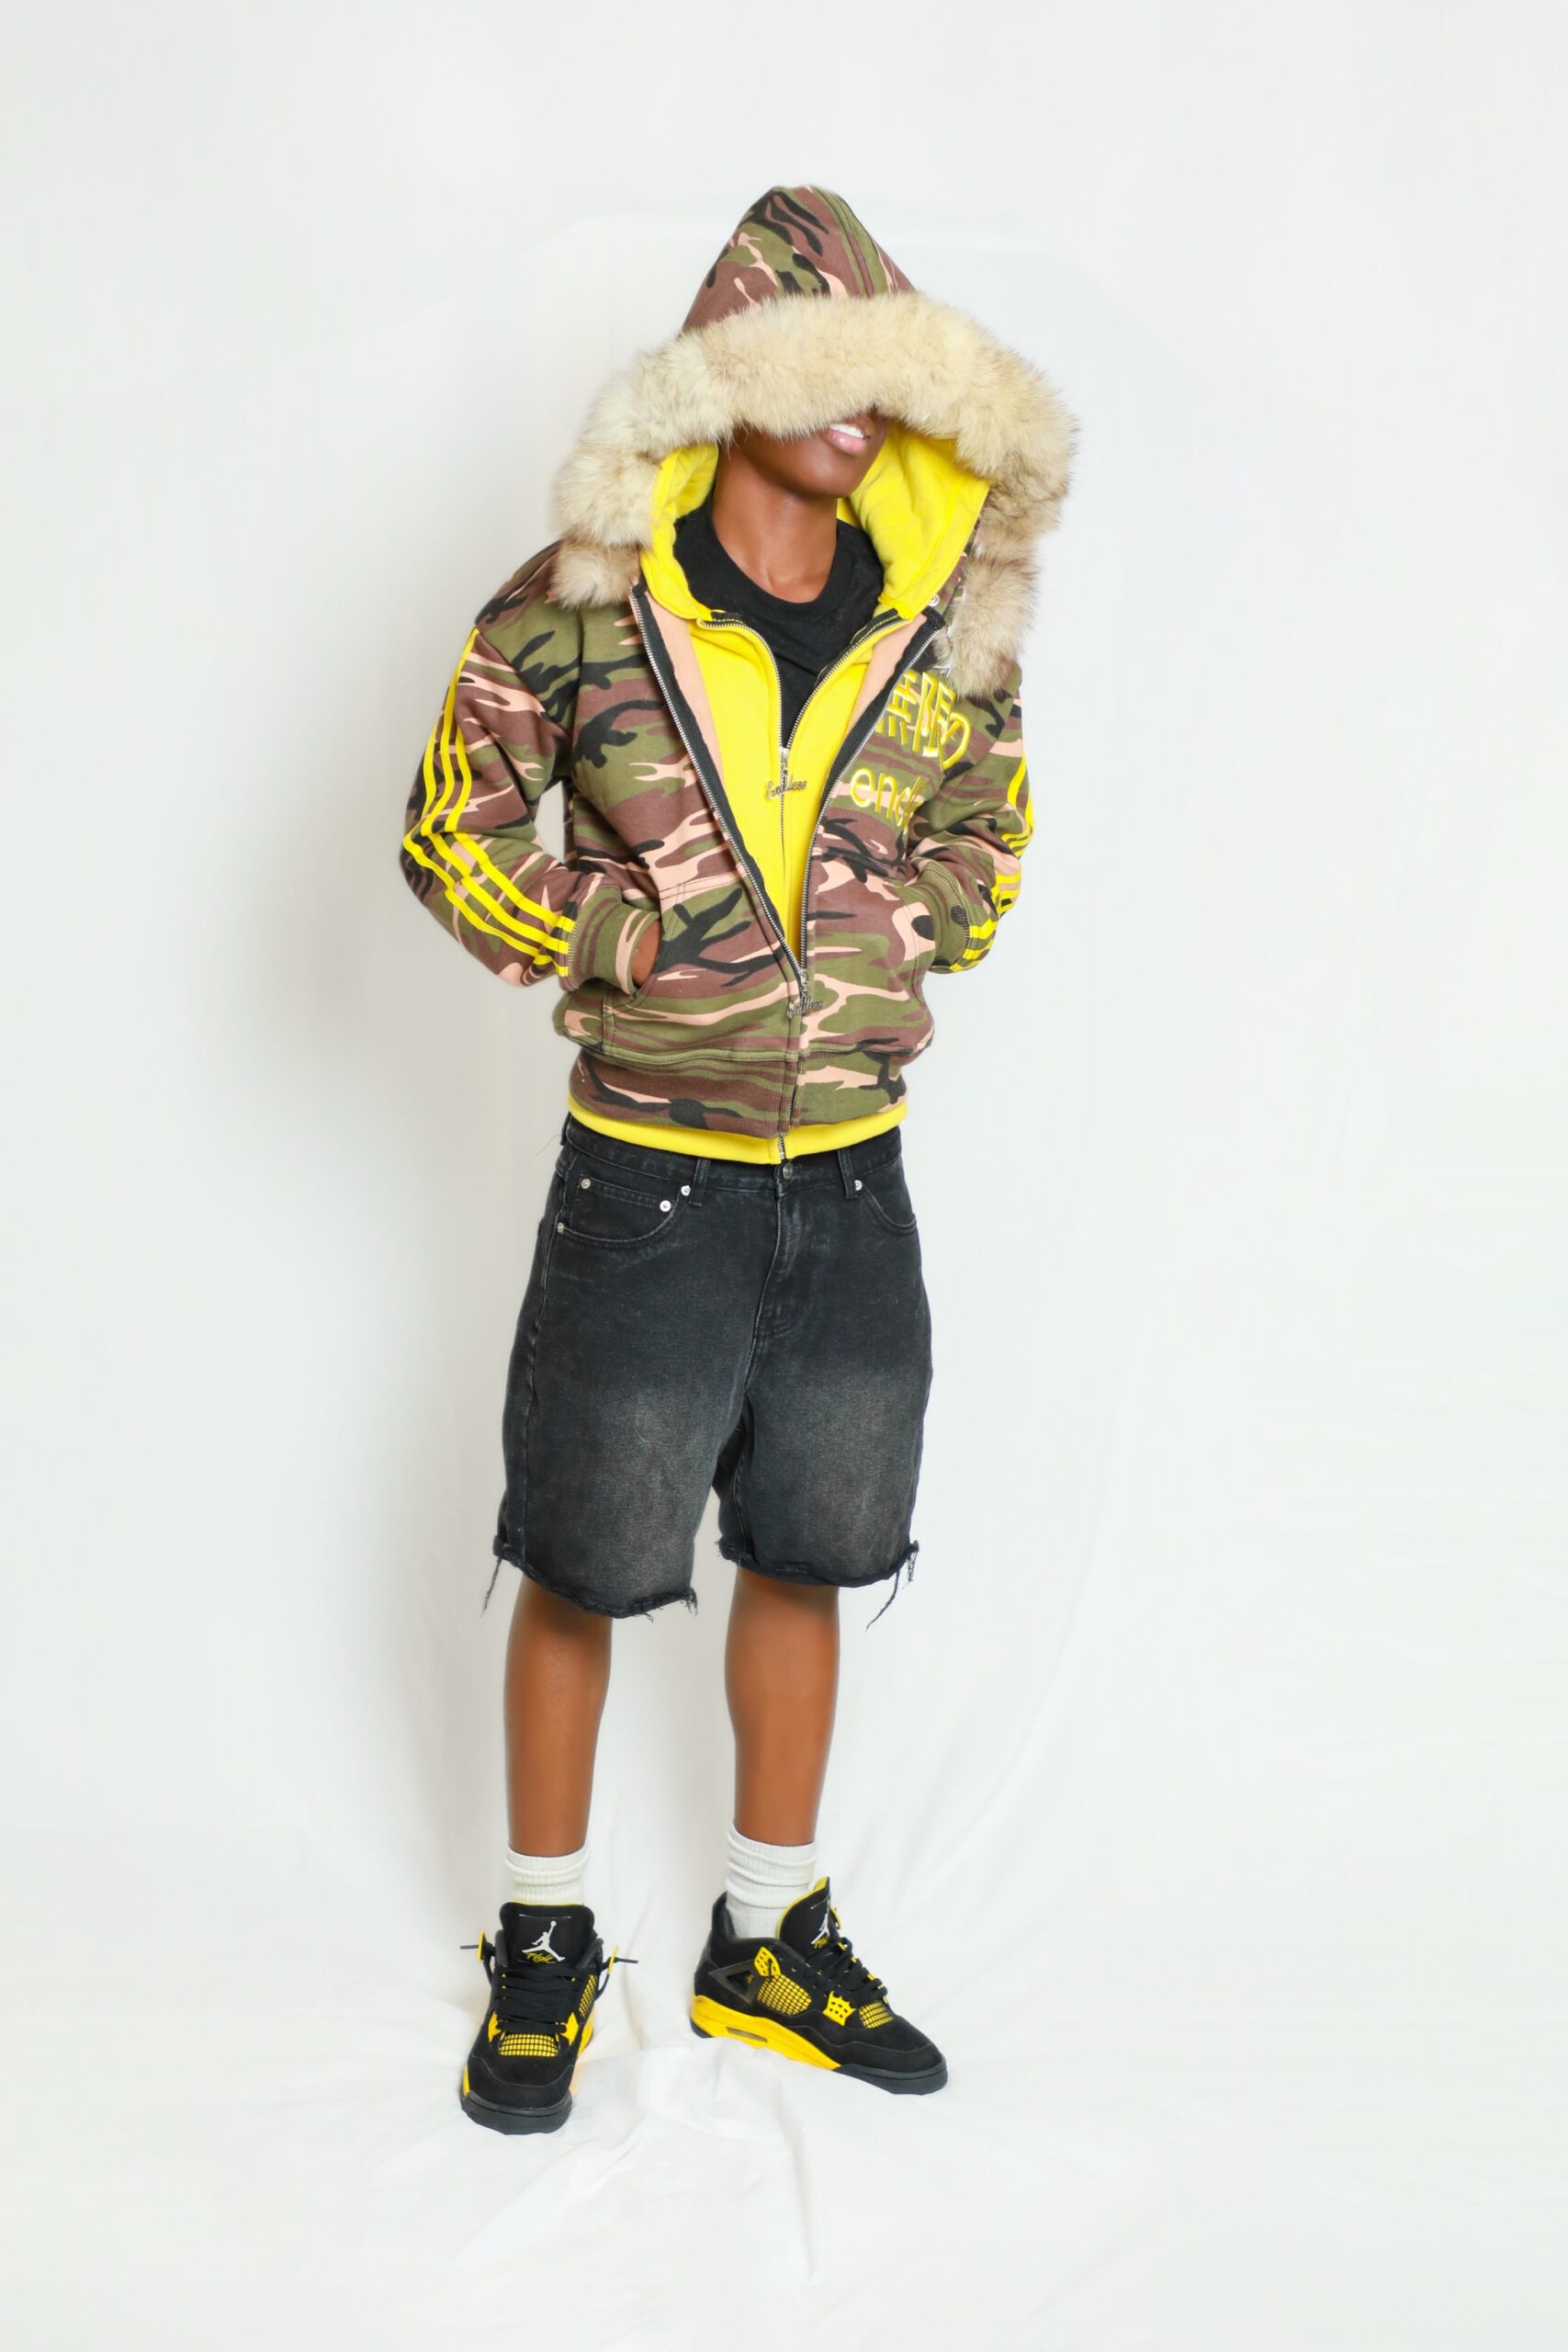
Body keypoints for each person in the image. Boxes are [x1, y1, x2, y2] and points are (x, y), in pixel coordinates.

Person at [399, 185, 1075, 2133]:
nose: (858, 409)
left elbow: (992, 830)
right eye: (818, 367)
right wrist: (614, 938)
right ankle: (543, 1937)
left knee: (814, 1547)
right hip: (647, 1181)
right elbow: (452, 827)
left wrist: (904, 921)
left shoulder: (942, 624)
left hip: (853, 1179)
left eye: (888, 378)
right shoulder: (584, 599)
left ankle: (765, 1935)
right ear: (729, 378)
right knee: (583, 1556)